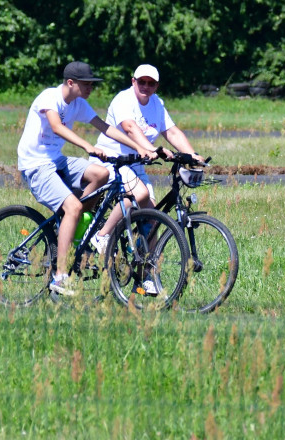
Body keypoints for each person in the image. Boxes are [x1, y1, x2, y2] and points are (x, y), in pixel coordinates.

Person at [16, 61, 154, 297]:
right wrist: (87, 146)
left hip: (56, 161)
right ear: (71, 83)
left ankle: (75, 223)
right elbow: (57, 127)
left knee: (102, 174)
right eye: (87, 84)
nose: (91, 88)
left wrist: (141, 148)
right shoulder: (49, 98)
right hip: (35, 165)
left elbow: (105, 127)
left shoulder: (79, 103)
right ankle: (60, 277)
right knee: (72, 206)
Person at [88, 64, 203, 261]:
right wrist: (151, 149)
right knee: (139, 193)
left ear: (157, 86)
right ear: (133, 81)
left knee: (152, 218)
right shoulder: (123, 100)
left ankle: (146, 276)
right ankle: (102, 235)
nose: (146, 86)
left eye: (151, 83)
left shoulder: (157, 103)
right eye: (141, 81)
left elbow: (172, 131)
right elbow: (130, 127)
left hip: (136, 164)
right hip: (112, 160)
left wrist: (192, 155)